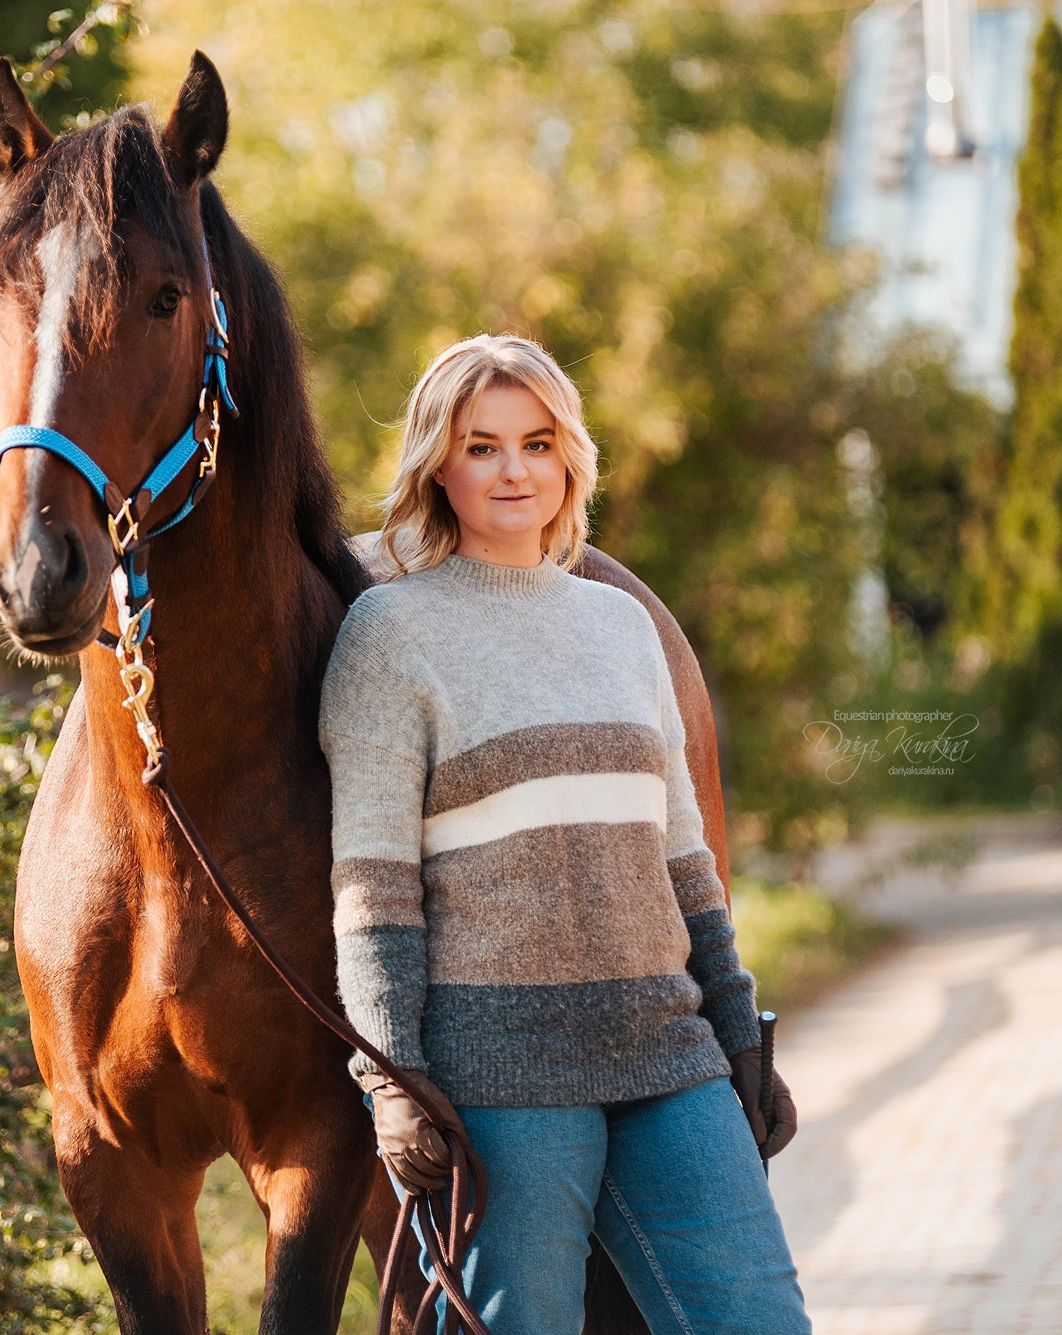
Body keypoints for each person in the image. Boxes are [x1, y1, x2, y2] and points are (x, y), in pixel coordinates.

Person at [319, 334, 811, 1335]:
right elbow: (371, 890)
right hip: (497, 1080)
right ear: (436, 464)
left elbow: (683, 862)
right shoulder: (389, 632)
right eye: (481, 445)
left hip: (665, 1059)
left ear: (567, 460)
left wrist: (734, 1033)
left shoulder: (619, 625)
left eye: (536, 444)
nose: (512, 470)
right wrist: (391, 1083)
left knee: (760, 1321)